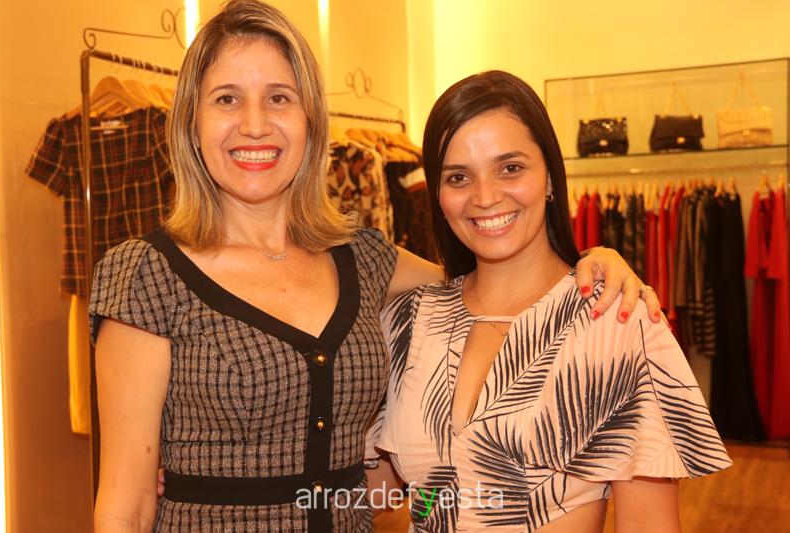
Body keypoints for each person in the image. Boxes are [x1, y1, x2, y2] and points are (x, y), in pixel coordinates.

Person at [89, 2, 661, 532]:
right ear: (191, 123)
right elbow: (125, 504)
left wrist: (591, 261)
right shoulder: (147, 275)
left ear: (311, 120)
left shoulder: (362, 257)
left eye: (280, 98)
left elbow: (483, 279)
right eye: (227, 99)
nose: (255, 124)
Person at [365, 71, 732, 532]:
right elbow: (379, 488)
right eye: (459, 177)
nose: (485, 196)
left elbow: (649, 524)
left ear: (550, 178)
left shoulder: (615, 319)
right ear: (438, 195)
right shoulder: (409, 319)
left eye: (510, 168)